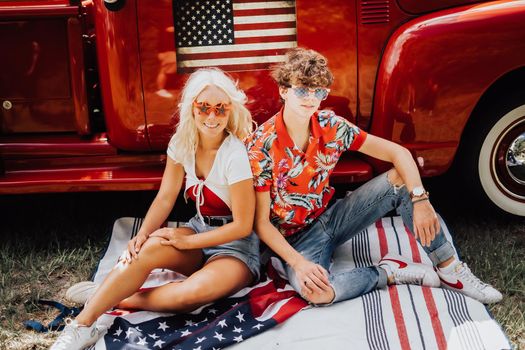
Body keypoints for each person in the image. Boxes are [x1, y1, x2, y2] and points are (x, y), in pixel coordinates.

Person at [245, 47, 502, 306]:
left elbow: (399, 153)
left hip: (331, 218)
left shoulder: (332, 126)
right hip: (294, 239)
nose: (311, 98)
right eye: (302, 90)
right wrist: (299, 263)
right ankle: (389, 271)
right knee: (318, 294)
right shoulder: (261, 145)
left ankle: (450, 269)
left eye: (319, 92)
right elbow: (261, 223)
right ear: (283, 90)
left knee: (401, 179)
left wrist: (420, 199)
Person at [51, 68, 260, 350]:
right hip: (200, 229)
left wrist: (187, 240)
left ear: (230, 111)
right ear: (192, 108)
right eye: (204, 107)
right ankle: (82, 326)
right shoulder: (183, 142)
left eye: (221, 109)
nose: (212, 117)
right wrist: (143, 235)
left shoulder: (233, 153)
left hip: (236, 246)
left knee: (191, 294)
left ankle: (110, 295)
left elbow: (243, 225)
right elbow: (165, 197)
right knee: (144, 251)